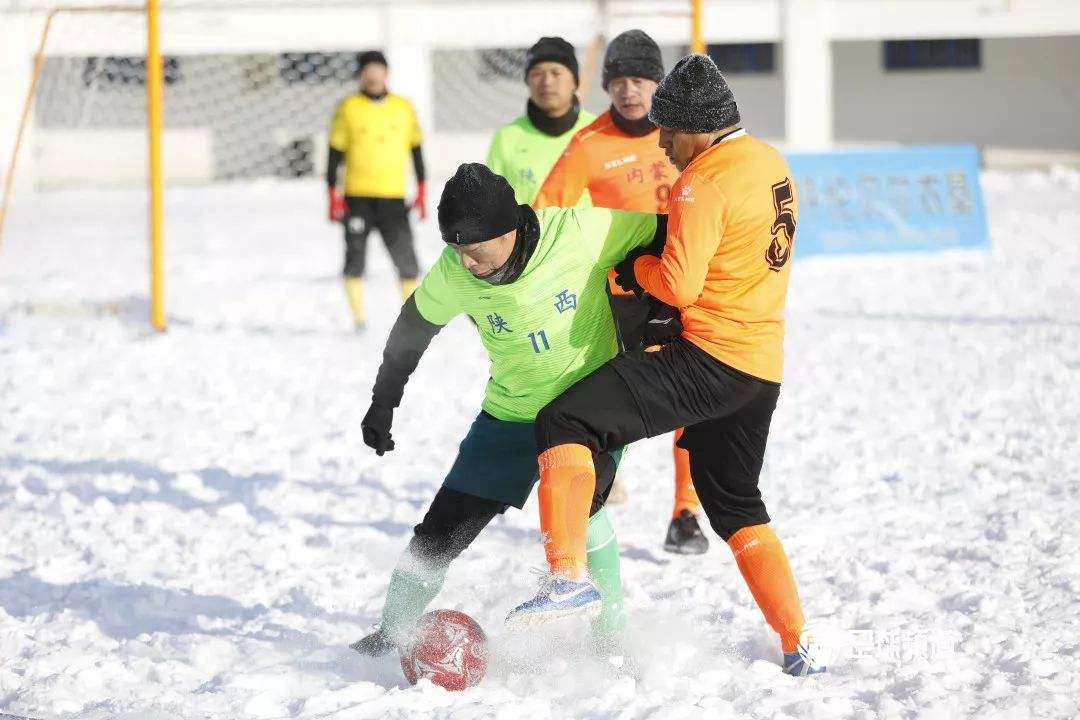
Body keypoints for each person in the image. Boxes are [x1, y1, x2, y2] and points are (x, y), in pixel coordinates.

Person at [508, 55, 825, 676]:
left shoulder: (701, 181)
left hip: (706, 358)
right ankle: (795, 640)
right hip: (761, 365)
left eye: (671, 134)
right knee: (735, 503)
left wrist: (630, 271)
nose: (665, 147)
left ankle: (567, 576)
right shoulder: (768, 161)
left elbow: (677, 285)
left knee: (565, 420)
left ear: (696, 129)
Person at [350, 163, 669, 655]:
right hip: (511, 412)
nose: (467, 263)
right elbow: (412, 328)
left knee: (583, 513)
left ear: (511, 227)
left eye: (475, 251)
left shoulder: (579, 230)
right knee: (440, 530)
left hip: (592, 410)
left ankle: (611, 629)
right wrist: (382, 402)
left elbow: (666, 230)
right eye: (457, 250)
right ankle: (392, 631)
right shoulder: (455, 271)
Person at [534, 29, 709, 555]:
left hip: (688, 281)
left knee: (692, 402)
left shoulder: (687, 133)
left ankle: (686, 510)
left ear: (658, 83)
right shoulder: (589, 143)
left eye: (640, 80)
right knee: (620, 397)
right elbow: (549, 212)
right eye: (619, 82)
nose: (630, 92)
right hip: (627, 291)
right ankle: (598, 483)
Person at [327, 50, 427, 331]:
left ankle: (412, 318)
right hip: (357, 198)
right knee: (355, 259)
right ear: (360, 74)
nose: (373, 75)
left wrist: (421, 190)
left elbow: (416, 149)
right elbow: (334, 153)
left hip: (393, 197)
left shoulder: (403, 107)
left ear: (386, 73)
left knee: (406, 260)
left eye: (377, 69)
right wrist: (332, 194)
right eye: (367, 70)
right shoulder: (348, 108)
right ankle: (359, 319)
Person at [486, 37, 594, 205]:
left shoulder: (598, 133)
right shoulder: (507, 138)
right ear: (527, 82)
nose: (547, 82)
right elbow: (491, 207)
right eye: (537, 73)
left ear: (574, 81)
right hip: (528, 232)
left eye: (556, 73)